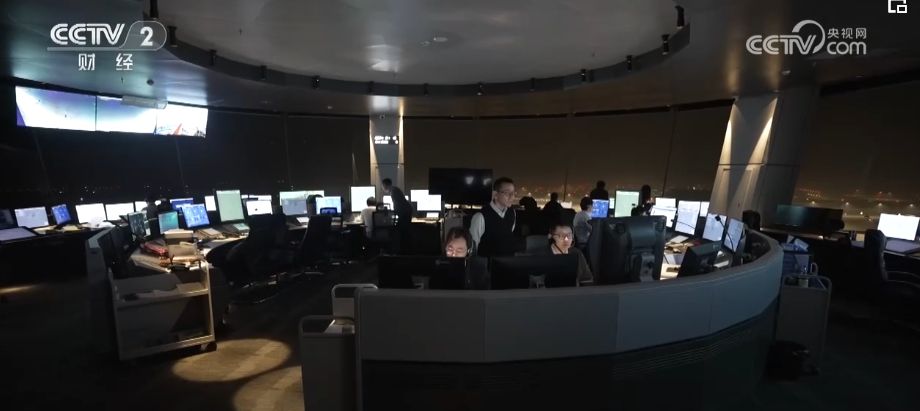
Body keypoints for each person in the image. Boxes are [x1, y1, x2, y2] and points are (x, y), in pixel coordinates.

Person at [470, 177, 517, 257]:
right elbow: (473, 248)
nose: (512, 197)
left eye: (513, 193)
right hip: (488, 264)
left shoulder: (512, 213)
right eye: (507, 193)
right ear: (495, 194)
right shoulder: (480, 216)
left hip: (508, 262)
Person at [381, 178, 412, 252]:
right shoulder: (394, 189)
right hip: (406, 211)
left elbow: (397, 205)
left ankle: (401, 251)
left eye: (382, 186)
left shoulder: (393, 192)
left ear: (385, 185)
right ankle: (403, 250)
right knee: (402, 231)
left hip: (405, 213)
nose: (382, 188)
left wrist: (393, 214)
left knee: (400, 232)